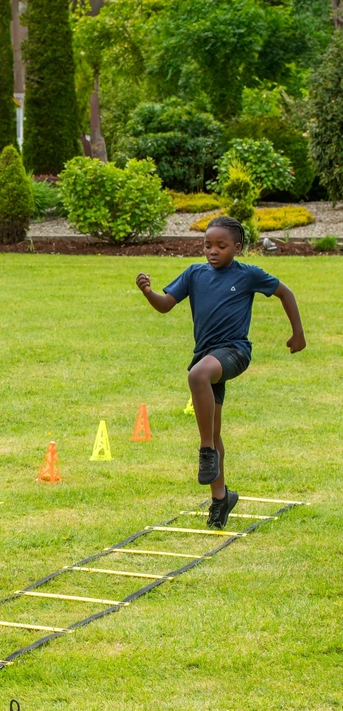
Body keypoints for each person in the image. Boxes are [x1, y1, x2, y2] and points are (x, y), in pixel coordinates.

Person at [136, 216, 306, 527]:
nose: (212, 251)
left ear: (237, 248)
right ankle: (220, 499)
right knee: (213, 428)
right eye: (207, 245)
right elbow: (165, 304)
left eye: (221, 246)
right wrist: (148, 292)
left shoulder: (248, 274)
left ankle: (206, 451)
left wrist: (298, 333)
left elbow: (286, 293)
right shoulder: (194, 273)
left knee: (197, 376)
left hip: (235, 352)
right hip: (206, 355)